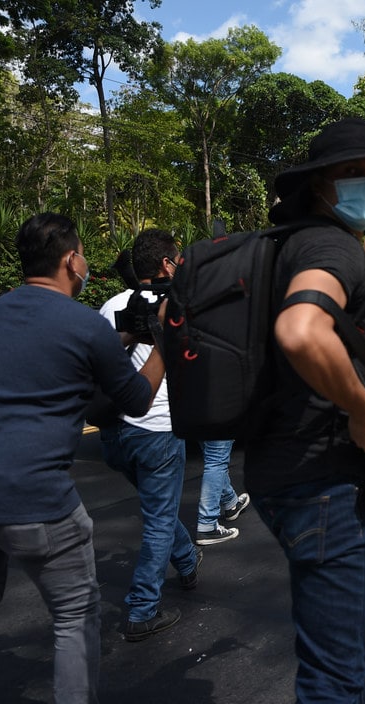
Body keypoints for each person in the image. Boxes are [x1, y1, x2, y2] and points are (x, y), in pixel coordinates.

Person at [0, 213, 166, 704]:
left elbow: (58, 350)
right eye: (83, 254)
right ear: (72, 260)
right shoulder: (84, 323)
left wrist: (125, 338)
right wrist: (166, 346)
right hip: (31, 497)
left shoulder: (0, 311)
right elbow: (133, 399)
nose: (86, 263)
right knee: (73, 613)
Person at [243, 117, 365, 704]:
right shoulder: (329, 247)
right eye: (350, 174)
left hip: (276, 469)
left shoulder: (289, 245)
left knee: (346, 658)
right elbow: (301, 330)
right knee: (333, 678)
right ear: (317, 185)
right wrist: (364, 410)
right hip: (323, 485)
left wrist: (363, 258)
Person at [98, 228, 206, 642]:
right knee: (159, 518)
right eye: (176, 259)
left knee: (157, 509)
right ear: (165, 264)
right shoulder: (176, 307)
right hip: (157, 429)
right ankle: (142, 609)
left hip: (114, 434)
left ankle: (188, 562)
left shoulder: (111, 305)